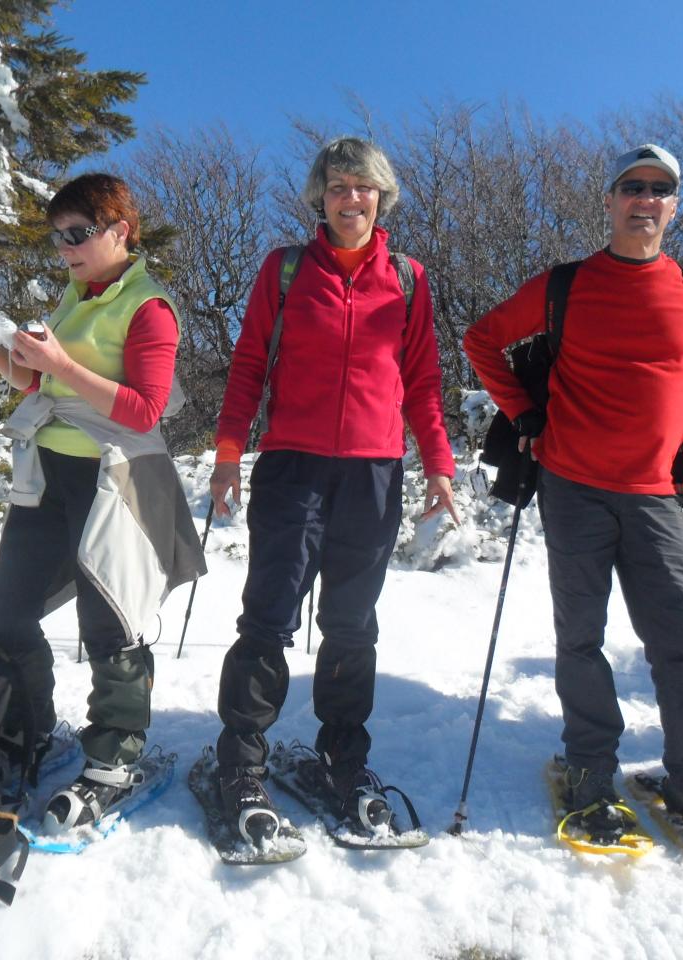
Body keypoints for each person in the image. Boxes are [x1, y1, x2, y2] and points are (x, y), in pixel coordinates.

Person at [464, 144, 683, 855]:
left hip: (656, 493)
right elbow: (482, 340)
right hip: (574, 485)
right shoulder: (566, 284)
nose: (645, 200)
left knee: (679, 646)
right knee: (581, 640)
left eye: (660, 190)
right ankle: (591, 772)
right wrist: (526, 415)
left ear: (674, 206)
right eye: (632, 187)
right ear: (610, 200)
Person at [209, 137, 458, 843]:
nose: (353, 199)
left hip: (374, 474)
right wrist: (229, 453)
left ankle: (342, 758)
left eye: (366, 188)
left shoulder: (407, 278)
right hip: (292, 466)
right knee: (268, 615)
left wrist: (438, 465)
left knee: (352, 623)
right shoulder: (285, 270)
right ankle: (241, 762)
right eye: (340, 187)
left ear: (383, 199)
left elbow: (424, 381)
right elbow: (249, 362)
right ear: (320, 197)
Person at [0, 173, 206, 830]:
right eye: (58, 236)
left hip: (115, 482)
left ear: (120, 230)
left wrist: (61, 366)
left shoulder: (148, 307)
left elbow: (143, 410)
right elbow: (41, 385)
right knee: (8, 609)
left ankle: (113, 760)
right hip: (48, 476)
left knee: (110, 625)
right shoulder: (76, 296)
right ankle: (33, 729)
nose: (65, 247)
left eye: (78, 234)